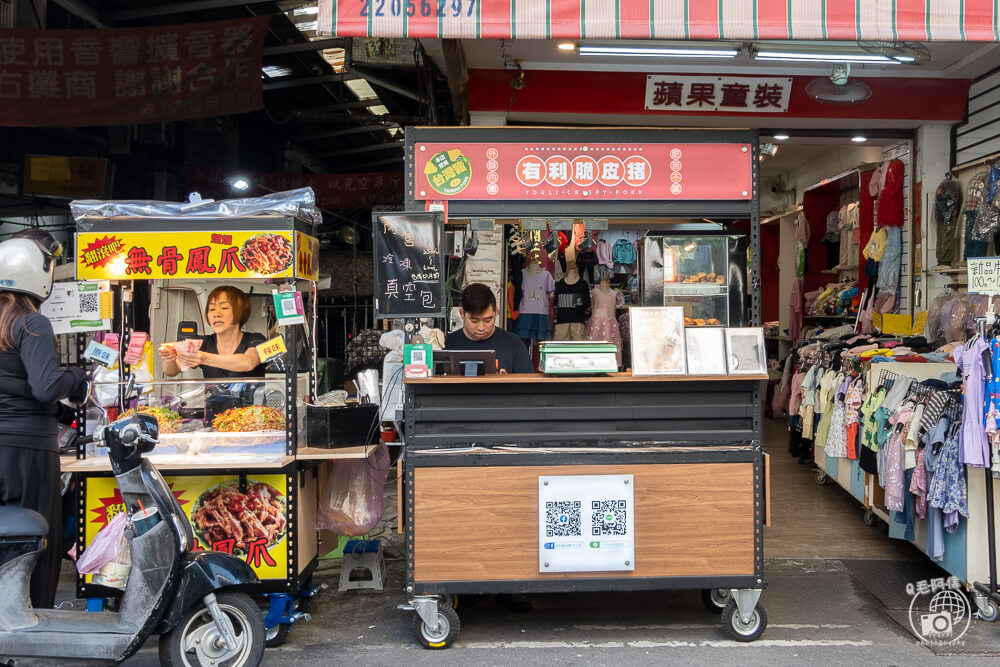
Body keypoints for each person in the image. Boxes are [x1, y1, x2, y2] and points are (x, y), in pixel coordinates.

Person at [0, 230, 88, 609]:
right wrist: (78, 376)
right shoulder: (31, 322)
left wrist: (61, 412)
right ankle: (32, 617)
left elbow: (13, 383)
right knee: (39, 540)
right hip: (28, 451)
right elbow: (45, 387)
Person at [159, 285, 266, 379]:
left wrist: (203, 358)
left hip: (253, 403)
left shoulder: (256, 339)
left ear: (240, 311)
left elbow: (248, 362)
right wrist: (169, 359)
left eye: (224, 308)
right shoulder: (203, 343)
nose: (216, 314)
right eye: (212, 309)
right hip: (212, 402)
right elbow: (171, 371)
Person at [445, 283, 533, 374]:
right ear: (462, 313)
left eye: (487, 320)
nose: (481, 328)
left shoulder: (514, 344)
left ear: (496, 312)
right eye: (474, 321)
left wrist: (507, 382)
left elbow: (528, 386)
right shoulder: (448, 344)